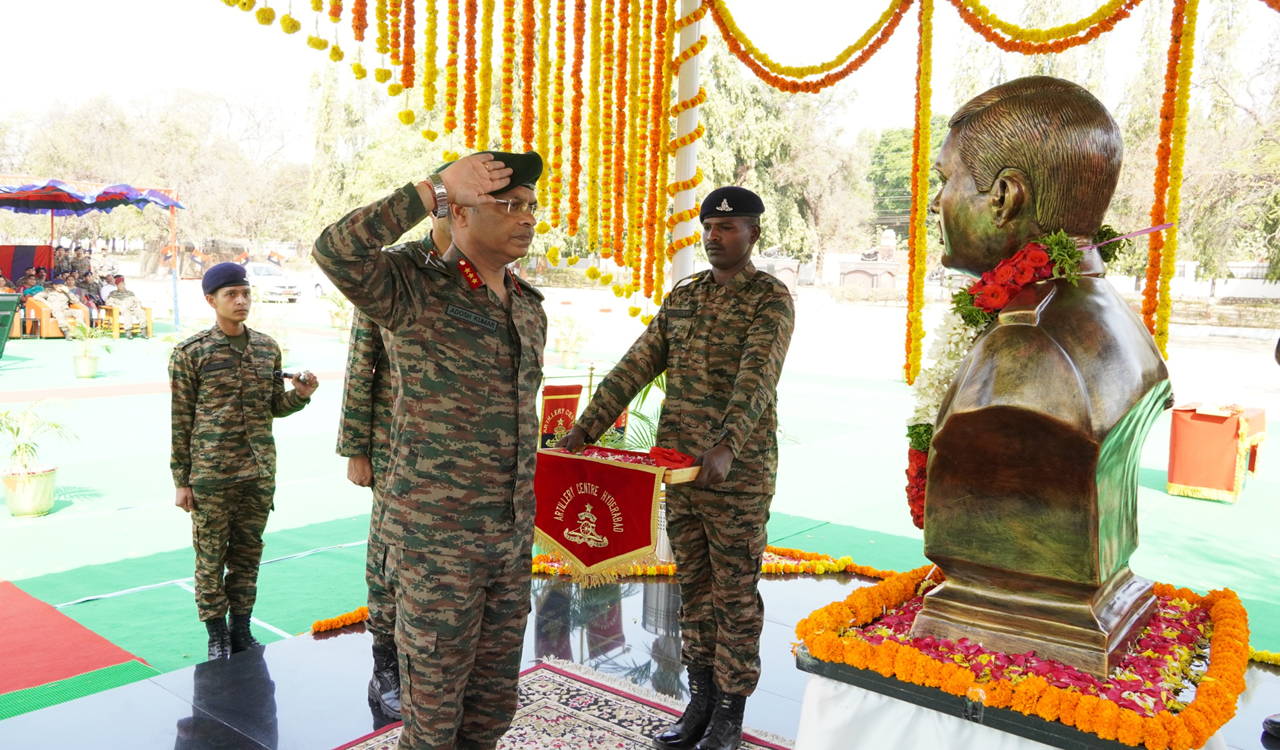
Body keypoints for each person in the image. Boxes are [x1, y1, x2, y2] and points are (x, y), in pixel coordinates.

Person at [314, 151, 546, 750]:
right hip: (437, 550)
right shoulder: (415, 289)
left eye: (530, 207)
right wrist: (431, 189)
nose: (526, 218)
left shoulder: (527, 307)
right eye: (509, 205)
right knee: (433, 722)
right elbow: (335, 250)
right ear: (463, 214)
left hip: (508, 543)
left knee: (491, 711)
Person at [558, 186, 795, 750]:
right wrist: (584, 430)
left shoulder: (770, 299)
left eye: (729, 227)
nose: (715, 236)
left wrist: (728, 444)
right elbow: (636, 363)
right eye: (709, 227)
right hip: (678, 471)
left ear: (754, 233)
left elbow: (757, 379)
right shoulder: (685, 297)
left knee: (734, 593)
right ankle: (701, 700)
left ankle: (730, 716)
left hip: (735, 474)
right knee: (693, 588)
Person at [336, 206, 452, 722]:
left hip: (453, 455)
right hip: (394, 445)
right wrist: (356, 448)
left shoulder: (484, 270)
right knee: (389, 558)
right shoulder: (395, 269)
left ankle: (430, 663)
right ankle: (385, 665)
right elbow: (363, 361)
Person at [169, 262, 319, 660]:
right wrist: (181, 480)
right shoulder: (190, 354)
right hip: (212, 477)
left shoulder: (267, 348)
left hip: (258, 474)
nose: (241, 301)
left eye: (245, 293)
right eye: (231, 294)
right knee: (210, 558)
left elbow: (273, 406)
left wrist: (300, 395)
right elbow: (180, 419)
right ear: (211, 300)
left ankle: (241, 629)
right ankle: (216, 635)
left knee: (248, 554)